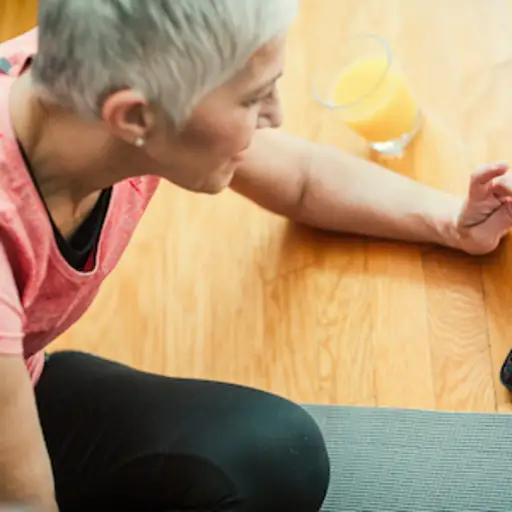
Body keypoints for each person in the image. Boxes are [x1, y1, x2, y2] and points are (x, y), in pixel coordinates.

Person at [1, 1, 512, 511]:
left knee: (275, 454)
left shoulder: (95, 77)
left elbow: (302, 178)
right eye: (252, 99)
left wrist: (452, 223)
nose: (275, 115)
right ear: (135, 116)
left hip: (20, 376)